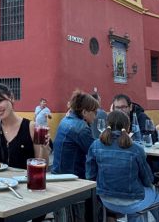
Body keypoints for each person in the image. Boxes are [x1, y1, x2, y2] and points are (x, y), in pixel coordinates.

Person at [86, 110, 159, 222]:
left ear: (106, 125)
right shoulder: (136, 148)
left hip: (106, 199)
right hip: (132, 201)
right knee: (154, 195)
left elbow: (90, 176)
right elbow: (148, 179)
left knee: (137, 203)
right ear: (128, 126)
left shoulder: (95, 145)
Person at [52, 89, 99, 222]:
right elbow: (95, 152)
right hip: (72, 180)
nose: (95, 117)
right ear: (84, 112)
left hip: (58, 174)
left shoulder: (66, 120)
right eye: (94, 113)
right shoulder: (81, 128)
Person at [112, 93, 159, 175]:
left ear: (130, 107)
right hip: (126, 161)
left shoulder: (142, 118)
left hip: (147, 162)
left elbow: (149, 140)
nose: (120, 110)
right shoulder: (114, 120)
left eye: (123, 107)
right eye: (117, 108)